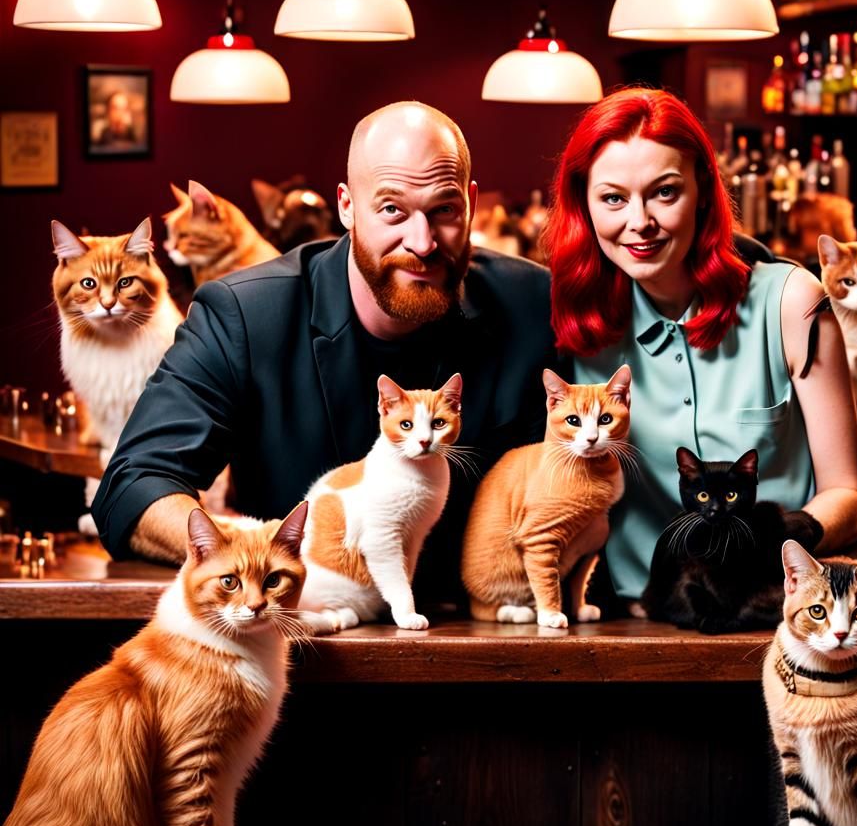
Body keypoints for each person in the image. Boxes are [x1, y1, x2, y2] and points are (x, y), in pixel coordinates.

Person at [92, 102, 557, 602]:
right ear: (347, 206)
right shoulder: (246, 315)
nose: (421, 242)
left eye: (443, 209)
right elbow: (133, 486)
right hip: (302, 652)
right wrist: (248, 553)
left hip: (490, 645)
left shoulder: (531, 304)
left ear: (468, 203)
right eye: (392, 210)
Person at [542, 88, 857, 602]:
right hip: (632, 621)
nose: (639, 222)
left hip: (779, 613)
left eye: (665, 192)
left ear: (703, 191)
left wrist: (781, 539)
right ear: (584, 204)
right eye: (613, 198)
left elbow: (848, 494)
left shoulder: (791, 303)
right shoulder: (574, 325)